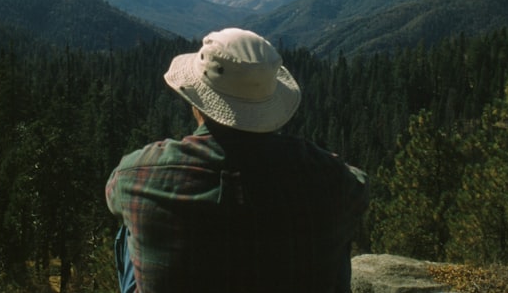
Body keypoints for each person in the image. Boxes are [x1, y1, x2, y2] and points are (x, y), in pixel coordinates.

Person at [105, 27, 368, 293]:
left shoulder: (137, 175)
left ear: (196, 102)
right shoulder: (330, 178)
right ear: (270, 105)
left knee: (130, 231)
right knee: (335, 229)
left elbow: (113, 195)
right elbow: (359, 187)